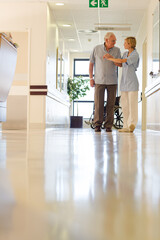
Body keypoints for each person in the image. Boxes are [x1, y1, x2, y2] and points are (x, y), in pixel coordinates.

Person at [103, 37, 139, 132]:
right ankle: (125, 126)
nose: (124, 44)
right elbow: (120, 64)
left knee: (132, 105)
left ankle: (132, 124)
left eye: (125, 43)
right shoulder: (125, 53)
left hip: (132, 83)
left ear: (130, 44)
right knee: (125, 105)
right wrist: (111, 60)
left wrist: (110, 58)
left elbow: (123, 61)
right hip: (124, 83)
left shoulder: (135, 54)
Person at [89, 32, 121, 132]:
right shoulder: (96, 49)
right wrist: (91, 78)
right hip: (99, 81)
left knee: (111, 105)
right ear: (106, 40)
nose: (115, 42)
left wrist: (111, 58)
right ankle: (98, 124)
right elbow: (91, 64)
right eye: (113, 41)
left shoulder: (117, 50)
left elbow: (120, 64)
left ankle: (108, 126)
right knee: (98, 103)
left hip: (112, 81)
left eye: (115, 40)